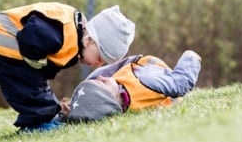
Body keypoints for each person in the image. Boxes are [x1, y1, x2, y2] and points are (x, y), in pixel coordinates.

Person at [0, 2, 135, 133]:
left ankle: (45, 115)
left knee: (35, 83)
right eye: (100, 58)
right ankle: (36, 124)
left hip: (13, 40)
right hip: (2, 34)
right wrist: (37, 63)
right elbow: (32, 32)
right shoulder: (62, 32)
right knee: (26, 84)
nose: (98, 65)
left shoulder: (75, 39)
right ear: (89, 41)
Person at [63, 50, 201, 122]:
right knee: (93, 84)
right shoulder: (146, 83)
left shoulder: (147, 80)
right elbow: (180, 82)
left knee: (94, 79)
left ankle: (78, 103)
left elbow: (180, 82)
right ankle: (78, 105)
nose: (100, 78)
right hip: (135, 75)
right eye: (101, 82)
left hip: (147, 65)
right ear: (109, 99)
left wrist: (190, 58)